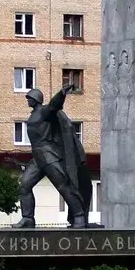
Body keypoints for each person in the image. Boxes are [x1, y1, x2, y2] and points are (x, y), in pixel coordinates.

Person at [14, 85, 92, 228]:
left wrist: (61, 93)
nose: (27, 100)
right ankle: (28, 218)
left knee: (63, 186)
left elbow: (54, 105)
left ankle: (79, 216)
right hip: (37, 157)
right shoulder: (33, 114)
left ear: (36, 99)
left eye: (29, 98)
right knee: (24, 185)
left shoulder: (44, 112)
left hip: (49, 155)